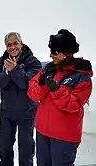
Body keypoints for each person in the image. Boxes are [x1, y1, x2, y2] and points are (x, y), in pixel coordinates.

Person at [28, 29, 93, 166]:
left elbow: (73, 105)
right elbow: (33, 93)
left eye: (55, 52)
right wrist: (42, 84)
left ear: (66, 54)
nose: (52, 56)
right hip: (43, 132)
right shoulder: (48, 70)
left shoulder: (82, 78)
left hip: (64, 137)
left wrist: (57, 90)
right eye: (51, 52)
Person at [0, 32, 41, 166]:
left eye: (15, 44)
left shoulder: (32, 61)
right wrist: (6, 73)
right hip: (7, 112)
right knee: (4, 145)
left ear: (21, 44)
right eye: (9, 45)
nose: (12, 47)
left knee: (26, 148)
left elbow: (29, 83)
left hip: (27, 111)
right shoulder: (1, 61)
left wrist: (15, 70)